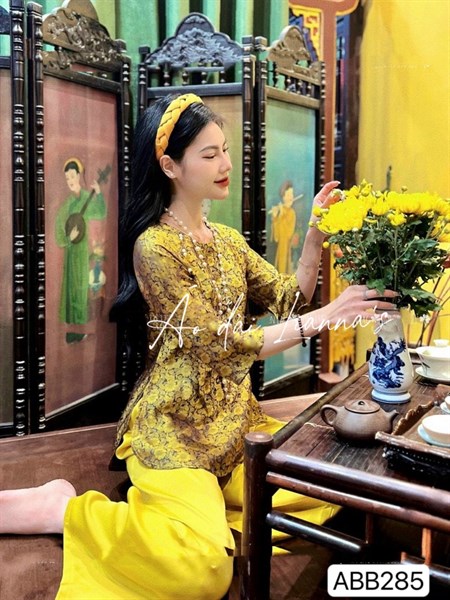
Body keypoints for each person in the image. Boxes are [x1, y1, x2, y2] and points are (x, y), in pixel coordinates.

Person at [0, 93, 398, 599]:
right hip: (176, 429)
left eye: (225, 150)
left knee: (343, 486)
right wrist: (324, 318)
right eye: (209, 154)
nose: (226, 164)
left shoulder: (227, 240)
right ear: (170, 166)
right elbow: (222, 346)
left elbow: (289, 298)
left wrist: (316, 234)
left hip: (235, 424)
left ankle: (206, 514)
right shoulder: (154, 248)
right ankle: (65, 510)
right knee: (202, 572)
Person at [55, 158, 107, 343]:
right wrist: (68, 238)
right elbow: (59, 228)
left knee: (82, 287)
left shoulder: (87, 198)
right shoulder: (68, 204)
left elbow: (101, 212)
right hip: (71, 252)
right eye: (67, 177)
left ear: (79, 175)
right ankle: (71, 331)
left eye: (72, 176)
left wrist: (99, 194)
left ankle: (82, 330)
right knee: (71, 288)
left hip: (84, 251)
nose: (70, 180)